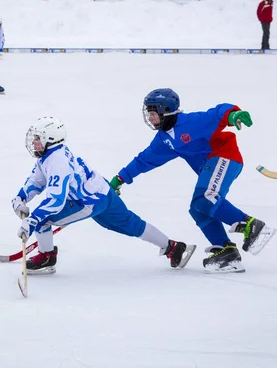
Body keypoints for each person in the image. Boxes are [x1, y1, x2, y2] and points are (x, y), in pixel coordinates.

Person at [109, 89, 276, 274]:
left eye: (153, 113)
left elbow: (216, 114)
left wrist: (233, 114)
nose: (150, 118)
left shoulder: (190, 123)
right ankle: (227, 252)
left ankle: (252, 226)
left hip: (224, 157)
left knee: (205, 198)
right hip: (211, 167)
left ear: (166, 111)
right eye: (148, 113)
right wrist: (120, 178)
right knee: (198, 209)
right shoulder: (164, 139)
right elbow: (144, 160)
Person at [11, 117, 195, 275]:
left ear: (49, 139)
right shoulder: (51, 154)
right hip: (102, 190)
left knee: (43, 220)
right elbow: (37, 181)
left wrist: (33, 220)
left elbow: (56, 200)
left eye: (37, 138)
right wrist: (21, 198)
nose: (34, 142)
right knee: (131, 223)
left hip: (88, 202)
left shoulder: (56, 160)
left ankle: (47, 258)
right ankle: (173, 247)